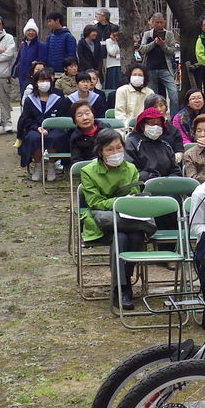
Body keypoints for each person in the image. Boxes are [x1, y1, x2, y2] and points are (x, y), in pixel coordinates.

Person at [79, 128, 143, 309]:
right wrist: (119, 201)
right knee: (119, 237)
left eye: (119, 147)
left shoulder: (130, 168)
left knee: (136, 236)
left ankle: (125, 281)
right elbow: (95, 202)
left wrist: (126, 203)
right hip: (102, 220)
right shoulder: (88, 171)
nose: (116, 153)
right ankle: (121, 288)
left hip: (128, 218)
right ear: (100, 151)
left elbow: (134, 196)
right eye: (109, 149)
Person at [17, 69, 67, 181]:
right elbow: (26, 118)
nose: (44, 83)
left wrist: (49, 128)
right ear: (36, 83)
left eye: (46, 80)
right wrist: (37, 128)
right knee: (34, 138)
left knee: (55, 137)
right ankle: (38, 166)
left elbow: (61, 117)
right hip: (35, 128)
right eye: (41, 80)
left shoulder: (58, 99)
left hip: (54, 128)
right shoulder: (30, 100)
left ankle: (51, 165)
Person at [138, 13, 179, 114]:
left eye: (161, 22)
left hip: (165, 68)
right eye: (157, 22)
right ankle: (153, 116)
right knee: (152, 96)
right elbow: (142, 49)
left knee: (174, 93)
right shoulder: (147, 34)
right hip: (150, 68)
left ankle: (174, 118)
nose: (159, 24)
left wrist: (163, 45)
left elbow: (172, 51)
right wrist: (154, 43)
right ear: (152, 23)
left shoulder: (169, 34)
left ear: (164, 22)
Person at [125, 107, 180, 181]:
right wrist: (151, 178)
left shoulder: (165, 146)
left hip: (167, 185)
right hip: (143, 185)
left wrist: (169, 180)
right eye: (152, 123)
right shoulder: (132, 143)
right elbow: (130, 171)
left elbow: (176, 170)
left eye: (159, 124)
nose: (156, 126)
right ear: (142, 126)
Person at [181, 113, 205, 182]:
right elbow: (192, 179)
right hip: (200, 186)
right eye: (199, 131)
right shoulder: (189, 154)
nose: (202, 135)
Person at [68, 101, 102, 165]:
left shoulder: (105, 129)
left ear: (93, 115)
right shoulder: (75, 138)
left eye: (87, 113)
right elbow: (76, 161)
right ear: (75, 121)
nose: (85, 118)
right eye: (79, 115)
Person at [15, 19, 44, 91]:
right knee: (22, 92)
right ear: (25, 32)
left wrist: (36, 62)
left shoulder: (40, 45)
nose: (31, 32)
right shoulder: (22, 45)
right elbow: (18, 59)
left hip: (33, 76)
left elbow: (43, 59)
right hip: (22, 74)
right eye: (28, 30)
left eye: (33, 31)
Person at [102, 27, 124, 92]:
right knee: (112, 84)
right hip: (111, 65)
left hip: (120, 65)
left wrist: (116, 56)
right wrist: (115, 42)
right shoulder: (108, 41)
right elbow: (111, 52)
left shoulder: (123, 41)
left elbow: (123, 54)